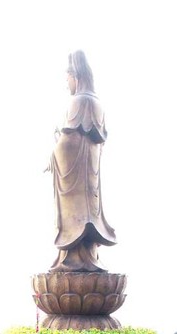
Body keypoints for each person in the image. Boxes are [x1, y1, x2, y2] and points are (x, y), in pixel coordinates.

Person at [48, 50, 116, 272]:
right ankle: (77, 256)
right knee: (84, 213)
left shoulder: (79, 101)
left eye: (67, 78)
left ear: (76, 76)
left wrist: (55, 149)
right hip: (88, 182)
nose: (66, 83)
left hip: (79, 180)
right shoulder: (95, 103)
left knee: (81, 216)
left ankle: (78, 257)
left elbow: (70, 140)